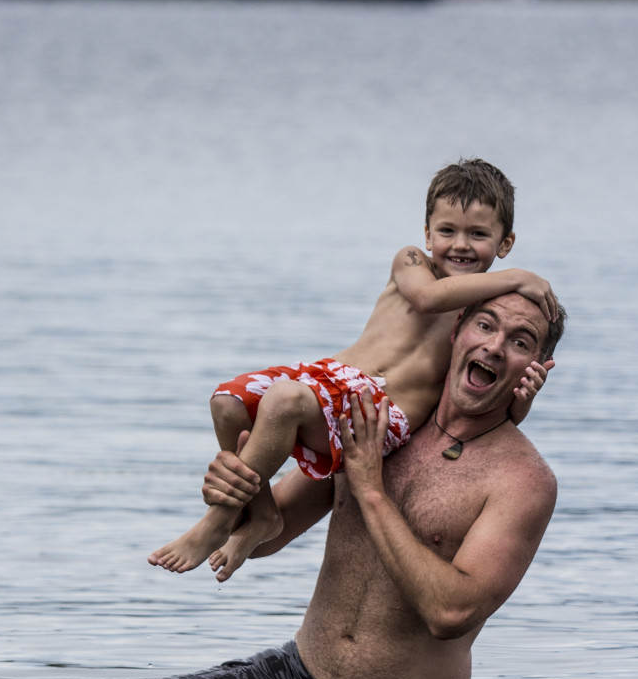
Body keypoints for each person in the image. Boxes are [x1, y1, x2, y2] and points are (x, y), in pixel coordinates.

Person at [111, 290, 564, 679]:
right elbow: (270, 535)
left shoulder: (522, 481)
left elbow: (451, 612)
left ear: (537, 369)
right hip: (293, 678)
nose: (495, 347)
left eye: (520, 342)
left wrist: (369, 489)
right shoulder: (377, 423)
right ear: (456, 329)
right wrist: (238, 490)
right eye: (485, 326)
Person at [147, 159, 558, 582]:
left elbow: (490, 407)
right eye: (447, 231)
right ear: (427, 233)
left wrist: (523, 399)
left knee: (284, 400)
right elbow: (426, 297)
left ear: (505, 242)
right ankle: (261, 511)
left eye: (478, 235)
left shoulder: (481, 314)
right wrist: (518, 276)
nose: (461, 245)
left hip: (379, 411)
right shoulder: (413, 261)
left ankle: (218, 519)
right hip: (332, 378)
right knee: (226, 403)